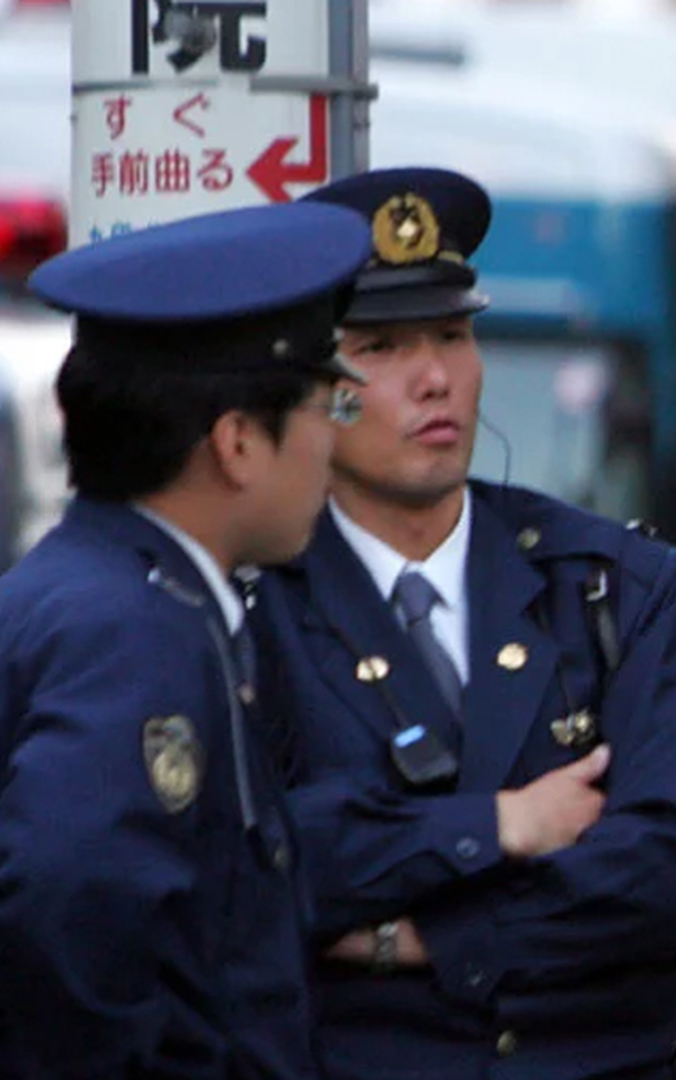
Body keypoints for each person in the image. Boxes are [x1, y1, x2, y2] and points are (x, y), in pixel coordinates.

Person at [245, 167, 676, 1079]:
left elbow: (673, 874)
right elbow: (262, 864)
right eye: (383, 347)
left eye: (454, 334)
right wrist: (501, 825)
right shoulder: (254, 607)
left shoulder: (622, 590)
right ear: (316, 384)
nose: (435, 378)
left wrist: (417, 939)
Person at [0, 202, 370, 1078]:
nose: (333, 443)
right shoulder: (135, 632)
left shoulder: (84, 592)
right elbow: (72, 902)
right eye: (330, 404)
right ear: (239, 442)